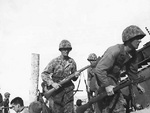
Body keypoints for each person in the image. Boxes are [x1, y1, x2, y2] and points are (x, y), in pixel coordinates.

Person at [94, 25, 146, 113]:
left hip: (113, 81)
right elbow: (99, 69)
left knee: (113, 107)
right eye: (137, 38)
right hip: (103, 80)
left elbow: (132, 71)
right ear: (129, 39)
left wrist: (137, 84)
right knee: (118, 108)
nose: (140, 41)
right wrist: (106, 85)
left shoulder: (133, 54)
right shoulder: (114, 51)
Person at [41, 39, 80, 113]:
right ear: (60, 50)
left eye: (68, 49)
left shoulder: (72, 62)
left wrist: (76, 76)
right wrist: (52, 83)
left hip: (68, 92)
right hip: (56, 92)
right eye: (64, 49)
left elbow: (74, 78)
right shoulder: (54, 61)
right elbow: (44, 74)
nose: (66, 51)